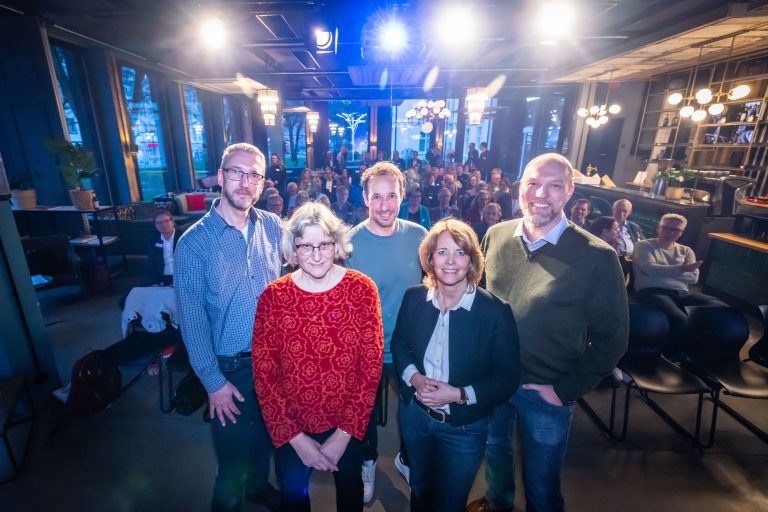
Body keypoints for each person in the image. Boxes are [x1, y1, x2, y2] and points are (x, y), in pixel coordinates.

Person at [468, 153, 628, 512]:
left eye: (554, 185)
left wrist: (564, 390)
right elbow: (480, 303)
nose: (541, 193)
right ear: (520, 188)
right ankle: (497, 503)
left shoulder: (598, 257)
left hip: (545, 392)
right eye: (533, 184)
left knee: (542, 483)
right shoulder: (496, 235)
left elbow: (613, 339)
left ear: (569, 192)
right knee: (495, 453)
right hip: (494, 382)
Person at [252, 202, 383, 511]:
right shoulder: (274, 296)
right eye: (305, 245)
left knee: (350, 495)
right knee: (294, 498)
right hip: (291, 424)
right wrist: (295, 438)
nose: (315, 254)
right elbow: (264, 373)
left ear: (337, 245)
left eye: (323, 244)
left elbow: (371, 367)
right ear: (292, 250)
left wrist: (344, 435)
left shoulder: (362, 289)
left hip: (347, 424)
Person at [175, 142, 282, 512]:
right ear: (220, 177)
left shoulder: (272, 227)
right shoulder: (193, 244)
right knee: (232, 461)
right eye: (237, 172)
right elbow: (191, 321)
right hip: (229, 370)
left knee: (264, 442)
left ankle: (257, 488)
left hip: (272, 365)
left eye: (254, 174)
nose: (245, 182)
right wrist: (213, 382)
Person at [391, 218, 519, 512]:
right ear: (430, 258)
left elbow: (507, 378)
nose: (450, 262)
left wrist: (458, 394)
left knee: (450, 502)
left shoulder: (495, 312)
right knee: (420, 489)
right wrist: (414, 379)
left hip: (464, 427)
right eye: (442, 252)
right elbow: (399, 344)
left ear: (472, 260)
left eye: (460, 252)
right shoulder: (414, 298)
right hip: (415, 417)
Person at [346, 161, 428, 503]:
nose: (384, 205)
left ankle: (407, 459)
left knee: (415, 406)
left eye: (391, 195)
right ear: (365, 198)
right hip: (364, 346)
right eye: (376, 197)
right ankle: (367, 461)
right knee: (362, 412)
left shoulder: (420, 236)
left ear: (402, 195)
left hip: (408, 345)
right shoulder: (349, 243)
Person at [632, 213, 727, 354]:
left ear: (681, 233)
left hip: (681, 292)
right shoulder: (644, 245)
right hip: (652, 291)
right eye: (666, 228)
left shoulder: (686, 250)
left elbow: (694, 278)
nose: (670, 232)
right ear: (659, 227)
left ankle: (697, 350)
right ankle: (670, 355)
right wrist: (681, 270)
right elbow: (650, 269)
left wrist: (666, 271)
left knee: (720, 307)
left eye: (675, 230)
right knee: (679, 319)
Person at [145, 209, 180, 286]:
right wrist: (153, 283)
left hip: (182, 278)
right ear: (155, 225)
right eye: (159, 223)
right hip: (162, 278)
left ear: (172, 222)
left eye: (166, 221)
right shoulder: (153, 240)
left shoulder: (185, 237)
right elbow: (151, 263)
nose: (163, 225)